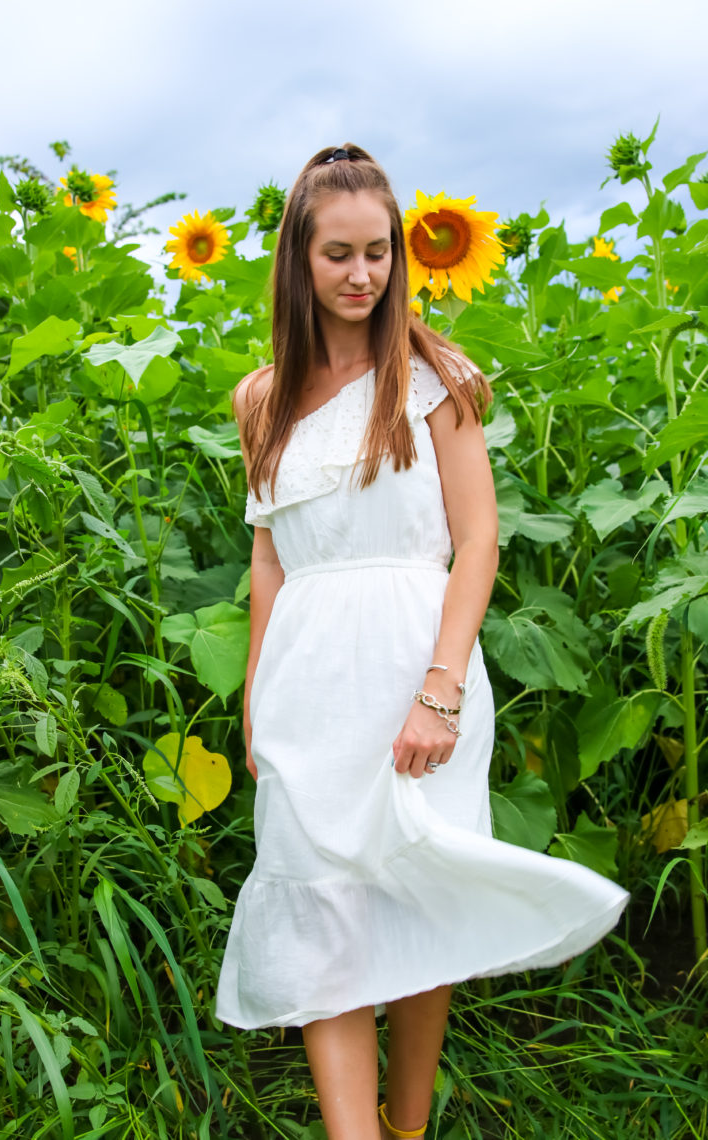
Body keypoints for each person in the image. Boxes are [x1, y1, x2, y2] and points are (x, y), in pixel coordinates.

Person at [215, 144, 628, 1140]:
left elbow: (476, 538)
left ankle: (408, 1127)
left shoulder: (433, 376)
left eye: (377, 255)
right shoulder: (256, 401)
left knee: (418, 895)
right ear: (297, 263)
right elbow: (272, 561)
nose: (361, 276)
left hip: (415, 661)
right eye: (337, 255)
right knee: (322, 913)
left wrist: (439, 687)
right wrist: (255, 697)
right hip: (306, 682)